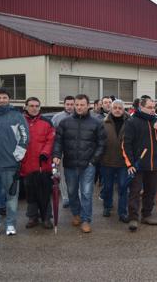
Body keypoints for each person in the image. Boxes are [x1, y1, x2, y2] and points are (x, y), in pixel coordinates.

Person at [52, 94, 106, 233]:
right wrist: (57, 155)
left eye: (82, 105)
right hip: (70, 164)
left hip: (88, 165)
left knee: (87, 193)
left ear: (88, 105)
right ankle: (76, 214)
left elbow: (102, 144)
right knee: (71, 192)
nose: (79, 107)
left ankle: (86, 220)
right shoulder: (65, 122)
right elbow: (58, 142)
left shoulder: (96, 123)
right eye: (77, 104)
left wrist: (93, 161)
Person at [0, 87, 29, 237]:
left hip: (10, 165)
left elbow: (24, 136)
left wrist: (18, 155)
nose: (1, 100)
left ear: (9, 99)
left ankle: (10, 223)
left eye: (4, 97)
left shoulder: (17, 116)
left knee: (11, 198)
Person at [123, 98, 157, 231]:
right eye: (149, 107)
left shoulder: (156, 120)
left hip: (153, 163)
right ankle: (133, 218)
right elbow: (126, 144)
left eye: (153, 107)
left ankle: (146, 215)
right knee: (135, 192)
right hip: (137, 164)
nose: (153, 109)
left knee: (151, 191)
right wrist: (130, 164)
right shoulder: (132, 121)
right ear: (141, 107)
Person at [20, 97, 55, 229]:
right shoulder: (21, 122)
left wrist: (45, 153)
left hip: (43, 164)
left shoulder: (47, 122)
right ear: (26, 107)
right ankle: (32, 217)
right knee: (30, 193)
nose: (34, 108)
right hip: (27, 164)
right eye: (31, 106)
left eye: (37, 106)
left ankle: (46, 218)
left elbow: (51, 139)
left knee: (45, 192)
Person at [99, 99, 130, 221]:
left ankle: (122, 212)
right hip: (107, 161)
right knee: (107, 187)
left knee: (123, 187)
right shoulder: (103, 123)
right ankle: (107, 206)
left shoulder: (129, 122)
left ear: (123, 110)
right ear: (111, 109)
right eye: (115, 108)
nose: (117, 110)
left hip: (124, 162)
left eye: (120, 108)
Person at [51, 95, 75, 209]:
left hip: (76, 152)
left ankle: (76, 196)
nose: (70, 107)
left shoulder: (79, 116)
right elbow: (52, 136)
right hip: (62, 152)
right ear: (64, 104)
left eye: (72, 104)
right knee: (63, 176)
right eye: (68, 104)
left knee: (76, 175)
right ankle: (65, 198)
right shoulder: (57, 117)